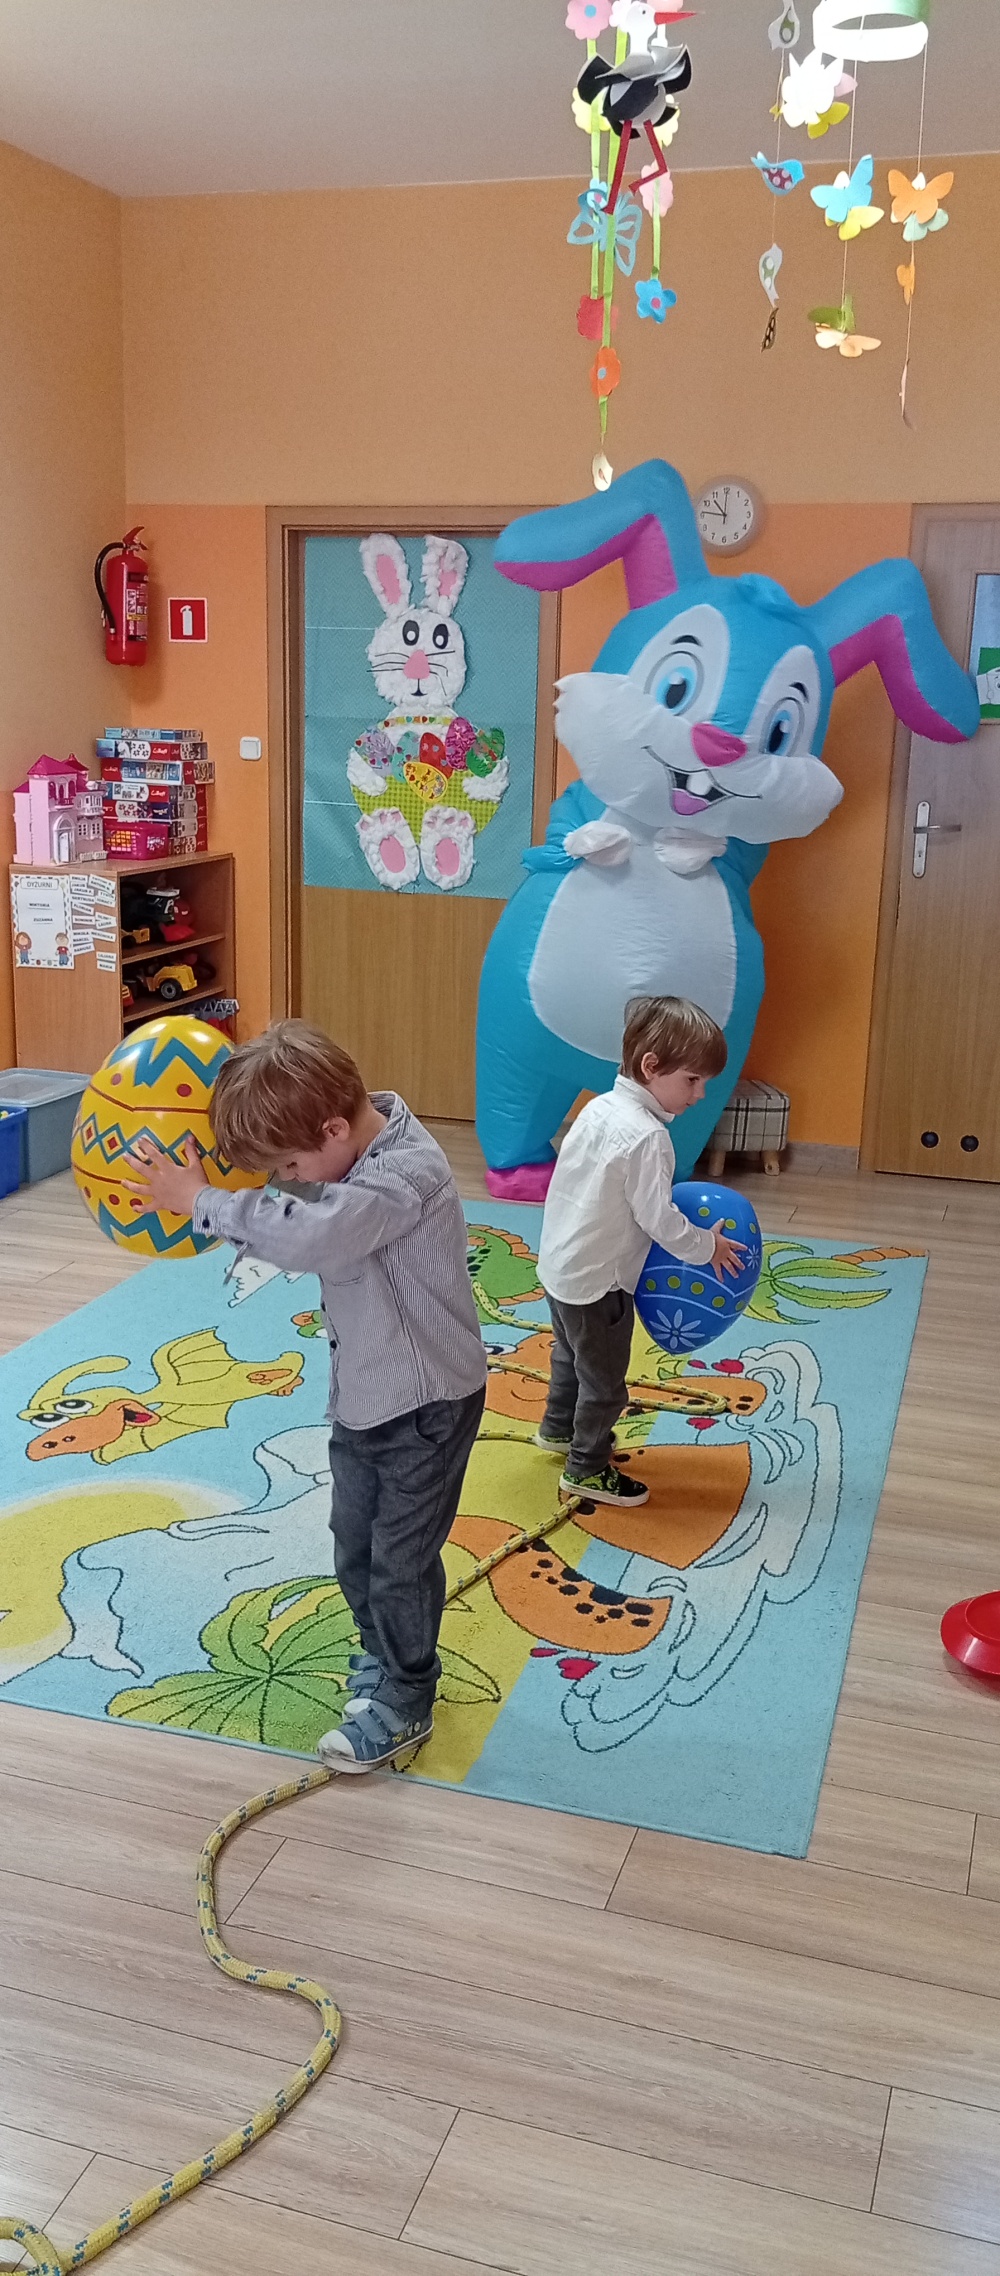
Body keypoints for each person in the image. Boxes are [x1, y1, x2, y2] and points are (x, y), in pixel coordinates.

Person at [123, 1020, 486, 1775]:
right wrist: (223, 1196)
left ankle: (407, 1695)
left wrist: (203, 1201)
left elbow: (315, 1235)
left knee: (399, 1562)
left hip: (426, 1406)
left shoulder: (401, 1175)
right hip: (364, 1396)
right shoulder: (344, 1148)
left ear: (332, 1128)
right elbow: (296, 1206)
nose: (289, 1179)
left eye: (290, 1164)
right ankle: (382, 1654)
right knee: (354, 1543)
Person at [536, 995, 745, 1508]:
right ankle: (586, 1468)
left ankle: (557, 1429)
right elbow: (661, 1221)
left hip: (560, 1267)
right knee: (605, 1382)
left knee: (570, 1355)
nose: (699, 1094)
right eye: (692, 1080)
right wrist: (708, 1246)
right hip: (600, 1282)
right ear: (651, 1066)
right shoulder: (648, 1137)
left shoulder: (596, 1108)